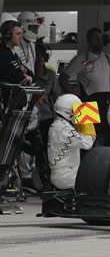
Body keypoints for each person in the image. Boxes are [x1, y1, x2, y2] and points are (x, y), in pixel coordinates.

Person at [59, 28, 110, 146]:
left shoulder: (109, 58)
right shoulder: (81, 59)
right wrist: (76, 98)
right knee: (85, 142)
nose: (99, 41)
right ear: (89, 40)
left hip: (106, 103)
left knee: (107, 138)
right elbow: (62, 79)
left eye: (101, 39)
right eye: (96, 39)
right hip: (86, 104)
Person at [47, 94, 96, 189]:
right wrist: (88, 124)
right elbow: (87, 144)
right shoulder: (65, 129)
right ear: (70, 112)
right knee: (98, 181)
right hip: (67, 176)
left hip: (62, 173)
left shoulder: (56, 125)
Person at [33, 43, 61, 190]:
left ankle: (51, 179)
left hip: (46, 117)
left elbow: (56, 96)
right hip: (31, 118)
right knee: (35, 149)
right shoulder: (29, 74)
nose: (38, 59)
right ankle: (40, 178)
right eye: (36, 56)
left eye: (40, 56)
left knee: (49, 148)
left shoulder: (50, 74)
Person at [1, 20, 34, 106]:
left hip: (15, 105)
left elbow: (32, 75)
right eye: (18, 34)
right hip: (8, 106)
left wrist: (25, 73)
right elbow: (19, 78)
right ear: (7, 35)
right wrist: (26, 77)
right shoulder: (3, 53)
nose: (21, 37)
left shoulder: (12, 53)